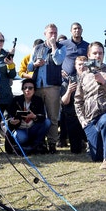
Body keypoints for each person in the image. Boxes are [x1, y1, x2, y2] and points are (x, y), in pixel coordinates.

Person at [29, 23, 65, 154]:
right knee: (38, 116)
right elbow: (29, 67)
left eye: (55, 33)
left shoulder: (61, 47)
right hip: (38, 86)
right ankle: (39, 142)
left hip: (53, 87)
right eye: (51, 33)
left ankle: (52, 143)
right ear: (45, 34)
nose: (53, 35)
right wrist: (35, 64)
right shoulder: (38, 48)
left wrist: (54, 46)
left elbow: (58, 61)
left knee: (53, 117)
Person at [58, 23, 89, 147]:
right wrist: (59, 69)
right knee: (65, 110)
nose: (77, 31)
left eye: (79, 28)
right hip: (67, 82)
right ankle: (63, 138)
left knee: (83, 108)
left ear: (82, 30)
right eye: (74, 29)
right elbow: (55, 57)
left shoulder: (87, 45)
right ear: (71, 31)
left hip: (84, 80)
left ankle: (83, 138)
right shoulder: (64, 44)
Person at [5, 79, 51, 155]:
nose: (27, 90)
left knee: (47, 122)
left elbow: (42, 116)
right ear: (22, 90)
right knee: (22, 138)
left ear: (34, 90)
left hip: (33, 128)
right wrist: (11, 121)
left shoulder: (38, 100)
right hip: (20, 128)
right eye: (25, 88)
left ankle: (35, 145)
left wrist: (34, 116)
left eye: (30, 88)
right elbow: (9, 116)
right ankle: (25, 146)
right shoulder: (16, 100)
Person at [59, 56, 87, 154]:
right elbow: (64, 102)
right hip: (73, 116)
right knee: (76, 150)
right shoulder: (68, 81)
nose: (82, 67)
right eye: (79, 64)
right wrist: (69, 91)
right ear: (75, 66)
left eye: (84, 64)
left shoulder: (94, 78)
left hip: (89, 116)